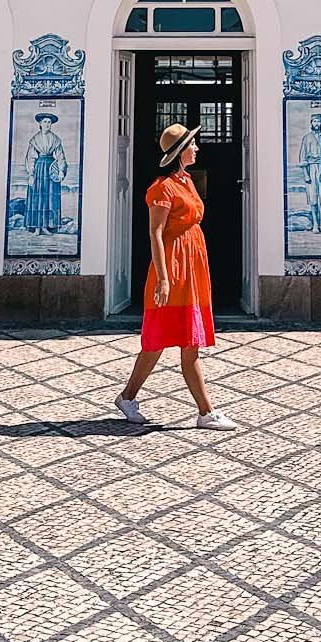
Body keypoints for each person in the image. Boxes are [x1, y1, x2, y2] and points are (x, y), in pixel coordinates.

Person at [114, 123, 236, 430]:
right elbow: (155, 233)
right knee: (180, 340)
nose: (196, 148)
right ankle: (206, 412)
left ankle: (128, 396)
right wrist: (164, 278)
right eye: (192, 145)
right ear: (180, 152)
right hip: (174, 266)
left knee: (159, 342)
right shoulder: (162, 188)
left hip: (192, 263)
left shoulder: (187, 181)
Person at [22, 110, 68, 236]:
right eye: (45, 122)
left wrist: (61, 171)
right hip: (39, 169)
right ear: (40, 124)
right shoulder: (35, 140)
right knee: (38, 197)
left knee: (50, 198)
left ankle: (46, 226)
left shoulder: (55, 139)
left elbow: (60, 157)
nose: (47, 124)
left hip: (51, 170)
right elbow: (30, 158)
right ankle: (37, 227)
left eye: (49, 122)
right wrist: (31, 174)